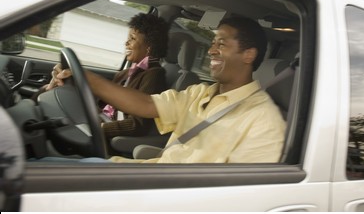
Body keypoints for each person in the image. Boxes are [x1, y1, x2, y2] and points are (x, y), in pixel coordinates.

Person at [53, 16, 286, 163]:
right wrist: (83, 76)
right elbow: (145, 104)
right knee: (50, 166)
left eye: (221, 44)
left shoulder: (264, 121)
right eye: (212, 44)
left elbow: (246, 194)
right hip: (147, 175)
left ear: (249, 55)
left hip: (166, 196)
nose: (211, 51)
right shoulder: (200, 93)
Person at [46, 13, 169, 146]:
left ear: (148, 47)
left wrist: (99, 128)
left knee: (55, 134)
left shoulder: (154, 75)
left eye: (132, 39)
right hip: (100, 119)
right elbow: (103, 101)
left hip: (107, 134)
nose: (126, 43)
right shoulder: (125, 73)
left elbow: (138, 124)